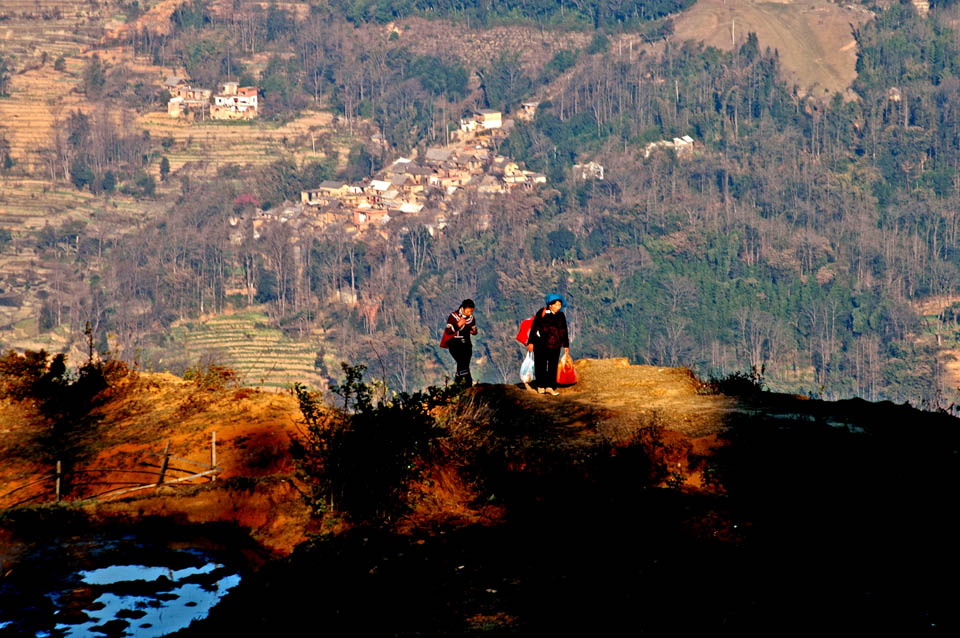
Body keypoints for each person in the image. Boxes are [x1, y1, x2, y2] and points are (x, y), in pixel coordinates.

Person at [526, 293, 569, 396]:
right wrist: (531, 342)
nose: (558, 307)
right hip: (541, 344)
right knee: (540, 365)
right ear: (550, 305)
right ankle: (541, 385)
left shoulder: (561, 315)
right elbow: (534, 327)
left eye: (559, 305)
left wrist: (566, 345)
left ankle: (550, 387)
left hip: (555, 345)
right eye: (556, 305)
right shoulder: (543, 312)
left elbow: (564, 330)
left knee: (553, 366)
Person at [441, 299, 478, 386]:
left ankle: (459, 383)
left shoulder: (471, 318)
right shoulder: (453, 316)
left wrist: (474, 331)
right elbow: (448, 331)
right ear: (463, 308)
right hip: (455, 344)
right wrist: (458, 325)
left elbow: (474, 329)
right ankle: (466, 383)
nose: (470, 313)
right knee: (462, 362)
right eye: (468, 311)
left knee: (465, 363)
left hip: (467, 344)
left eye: (471, 311)